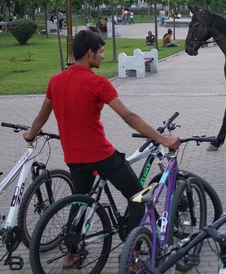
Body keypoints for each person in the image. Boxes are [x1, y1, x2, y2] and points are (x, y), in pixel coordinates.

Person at [22, 30, 180, 268]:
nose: (103, 56)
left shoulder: (56, 80)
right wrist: (161, 138)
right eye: (101, 51)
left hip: (73, 158)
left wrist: (30, 134)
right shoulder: (98, 83)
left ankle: (71, 253)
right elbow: (127, 116)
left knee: (81, 201)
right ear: (90, 53)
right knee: (138, 198)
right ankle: (133, 255)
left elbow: (43, 115)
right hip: (101, 155)